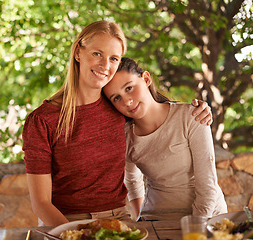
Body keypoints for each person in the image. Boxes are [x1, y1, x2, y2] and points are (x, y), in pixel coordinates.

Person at [22, 20, 213, 227]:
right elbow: (41, 203)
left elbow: (158, 115)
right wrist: (73, 234)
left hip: (118, 221)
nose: (105, 65)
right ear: (78, 52)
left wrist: (199, 109)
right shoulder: (42, 120)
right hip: (65, 223)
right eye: (97, 53)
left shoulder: (118, 109)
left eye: (114, 58)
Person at [103, 57, 227, 221]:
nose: (127, 101)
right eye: (116, 98)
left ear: (146, 79)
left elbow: (208, 187)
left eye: (129, 88)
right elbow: (132, 180)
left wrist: (195, 228)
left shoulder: (192, 116)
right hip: (156, 220)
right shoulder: (126, 137)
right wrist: (141, 218)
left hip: (207, 217)